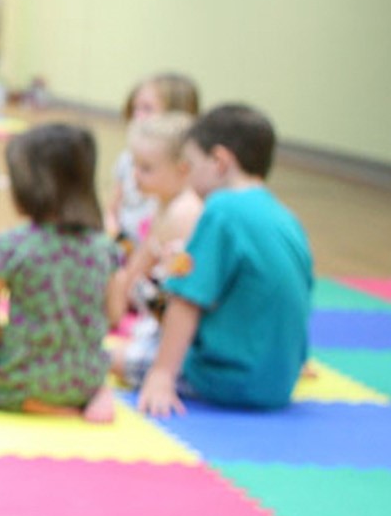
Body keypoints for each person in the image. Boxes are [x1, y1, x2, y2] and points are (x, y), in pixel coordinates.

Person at [136, 104, 314, 417]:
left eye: (191, 165)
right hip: (278, 382)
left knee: (115, 357)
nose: (188, 177)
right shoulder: (285, 217)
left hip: (225, 379)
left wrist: (162, 375)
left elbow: (186, 300)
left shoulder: (221, 209)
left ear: (219, 161)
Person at [0, 124, 119, 423]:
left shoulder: (11, 246)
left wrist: (12, 344)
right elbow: (114, 314)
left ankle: (35, 404)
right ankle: (92, 395)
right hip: (86, 374)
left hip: (25, 372)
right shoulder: (104, 248)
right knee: (89, 369)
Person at [106, 112, 204, 387]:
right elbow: (141, 261)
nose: (135, 176)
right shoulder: (162, 202)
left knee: (101, 360)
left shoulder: (185, 212)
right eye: (134, 165)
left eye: (146, 168)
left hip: (180, 338)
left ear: (182, 169)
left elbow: (186, 295)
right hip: (158, 321)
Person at [106, 72, 200, 249]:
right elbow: (111, 210)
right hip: (124, 244)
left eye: (147, 109)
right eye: (135, 108)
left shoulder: (184, 194)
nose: (138, 116)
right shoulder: (126, 159)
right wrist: (116, 238)